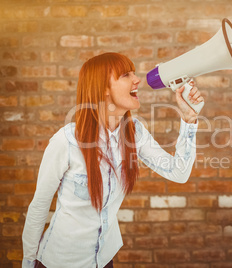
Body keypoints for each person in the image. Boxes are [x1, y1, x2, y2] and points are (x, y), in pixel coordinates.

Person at [22, 52, 203, 268]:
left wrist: (189, 120)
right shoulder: (67, 141)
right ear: (104, 89)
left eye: (134, 74)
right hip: (60, 261)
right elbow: (39, 205)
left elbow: (179, 173)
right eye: (126, 75)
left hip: (104, 260)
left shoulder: (134, 133)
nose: (137, 80)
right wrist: (28, 262)